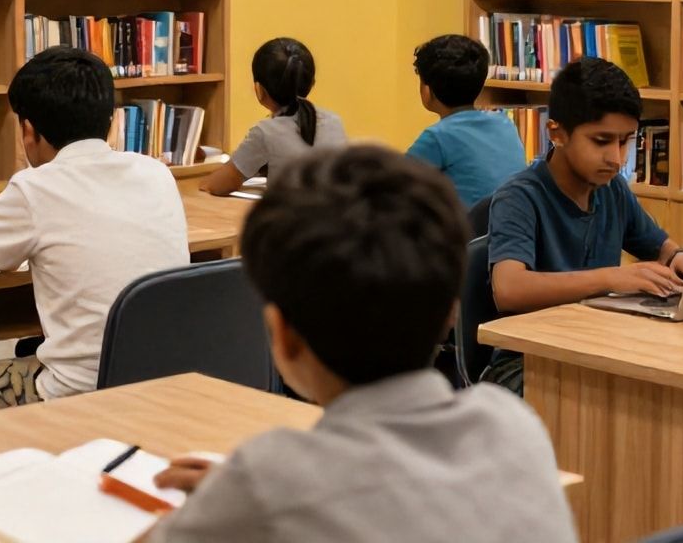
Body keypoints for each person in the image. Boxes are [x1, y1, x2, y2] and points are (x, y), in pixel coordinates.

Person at [148, 145, 576, 543]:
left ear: (282, 334)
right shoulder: (514, 427)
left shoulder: (269, 481)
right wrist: (241, 500)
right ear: (452, 313)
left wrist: (233, 503)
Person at [0, 47, 188, 416]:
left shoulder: (34, 187)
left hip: (82, 392)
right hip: (164, 380)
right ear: (112, 122)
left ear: (28, 131)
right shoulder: (156, 172)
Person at [481, 57, 683, 395]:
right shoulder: (519, 197)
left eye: (625, 141)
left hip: (596, 349)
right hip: (528, 362)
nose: (617, 159)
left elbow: (662, 249)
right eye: (601, 141)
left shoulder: (612, 189)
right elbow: (509, 289)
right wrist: (611, 278)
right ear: (557, 133)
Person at [202, 38, 344, 196]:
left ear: (259, 89)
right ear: (312, 83)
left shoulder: (265, 131)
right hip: (335, 210)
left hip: (289, 211)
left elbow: (218, 185)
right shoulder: (334, 121)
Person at [406, 34, 527, 210]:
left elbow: (392, 186)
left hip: (467, 227)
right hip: (511, 224)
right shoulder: (505, 124)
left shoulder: (438, 137)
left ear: (427, 89)